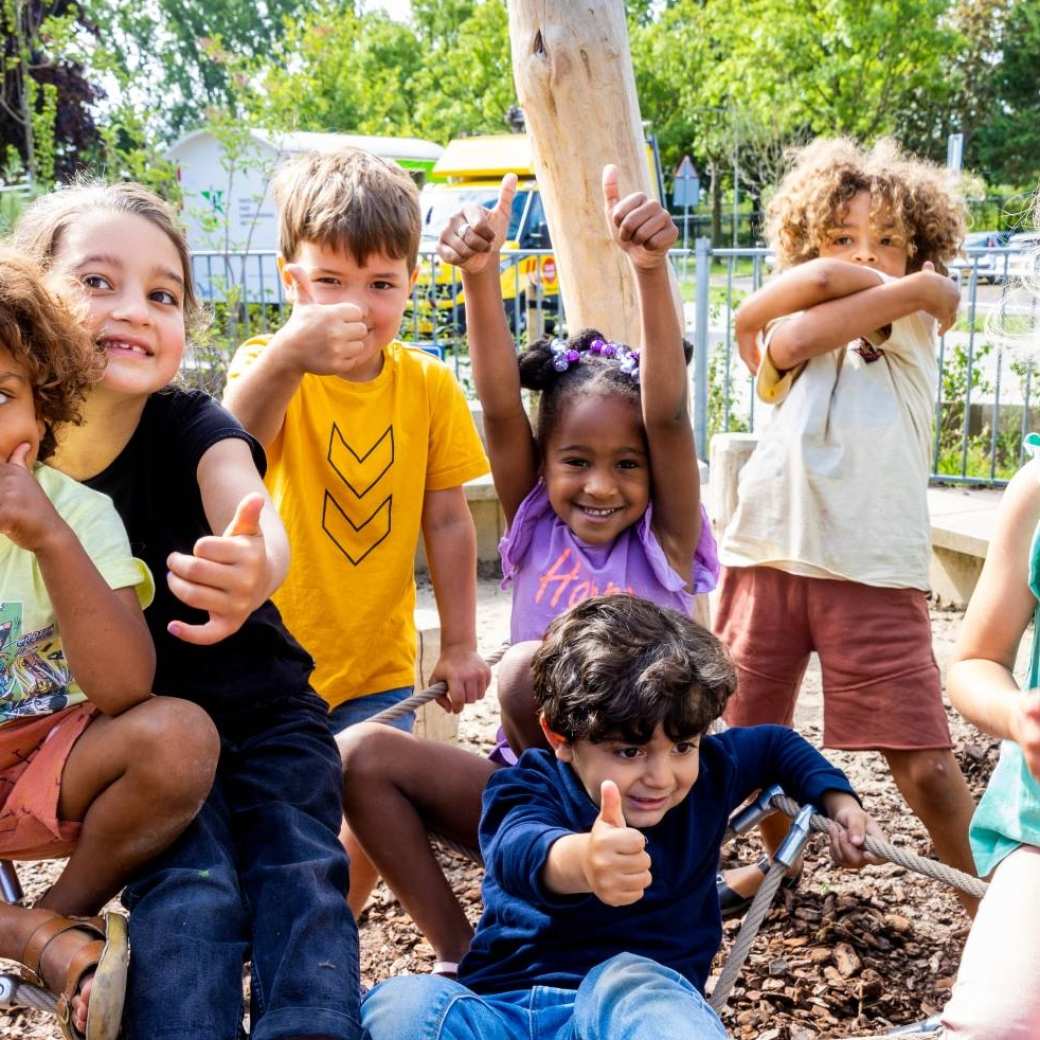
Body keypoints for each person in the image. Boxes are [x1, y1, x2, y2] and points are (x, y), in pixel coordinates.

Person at [336, 165, 719, 974]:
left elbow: (670, 414)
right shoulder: (536, 524)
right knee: (362, 756)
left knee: (521, 673)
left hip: (652, 798)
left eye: (628, 465)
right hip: (539, 805)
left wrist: (650, 270)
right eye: (577, 461)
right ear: (544, 468)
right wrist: (480, 277)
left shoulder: (666, 543)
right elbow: (503, 406)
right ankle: (468, 953)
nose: (602, 485)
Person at [14, 181, 361, 1040]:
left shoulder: (189, 423)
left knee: (301, 874)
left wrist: (255, 562)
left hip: (268, 714)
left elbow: (246, 502)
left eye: (163, 294)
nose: (134, 308)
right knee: (188, 889)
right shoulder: (17, 449)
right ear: (30, 297)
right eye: (97, 282)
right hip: (139, 740)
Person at [359, 594, 882, 1040]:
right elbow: (520, 850)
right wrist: (583, 860)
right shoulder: (528, 785)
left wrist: (841, 804)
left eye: (682, 745)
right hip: (503, 1010)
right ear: (561, 738)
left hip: (626, 1015)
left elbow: (778, 745)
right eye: (629, 752)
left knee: (634, 980)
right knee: (405, 1002)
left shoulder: (711, 771)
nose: (661, 775)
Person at [222, 147, 491, 915]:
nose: (358, 305)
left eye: (382, 285)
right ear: (292, 282)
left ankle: (327, 934)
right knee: (278, 820)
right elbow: (229, 443)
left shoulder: (428, 385)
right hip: (271, 663)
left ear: (410, 284)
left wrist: (463, 643)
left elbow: (447, 518)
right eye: (331, 281)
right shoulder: (265, 365)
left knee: (367, 813)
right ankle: (279, 933)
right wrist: (287, 358)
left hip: (375, 657)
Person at [715, 137, 978, 917]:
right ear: (802, 246)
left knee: (926, 764)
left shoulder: (913, 326)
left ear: (921, 249)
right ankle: (779, 868)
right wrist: (761, 313)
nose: (869, 257)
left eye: (890, 243)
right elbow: (792, 337)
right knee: (742, 738)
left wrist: (754, 310)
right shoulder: (884, 305)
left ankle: (987, 908)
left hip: (870, 567)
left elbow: (806, 307)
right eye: (842, 238)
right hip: (766, 550)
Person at [0, 247, 217, 1040]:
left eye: (1, 394)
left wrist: (49, 539)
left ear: (43, 411)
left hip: (48, 765)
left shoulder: (78, 514)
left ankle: (58, 914)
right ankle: (33, 940)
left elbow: (127, 689)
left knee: (179, 737)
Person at [941, 217, 1040, 1038]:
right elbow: (975, 660)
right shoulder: (1037, 490)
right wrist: (1016, 714)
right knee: (994, 1026)